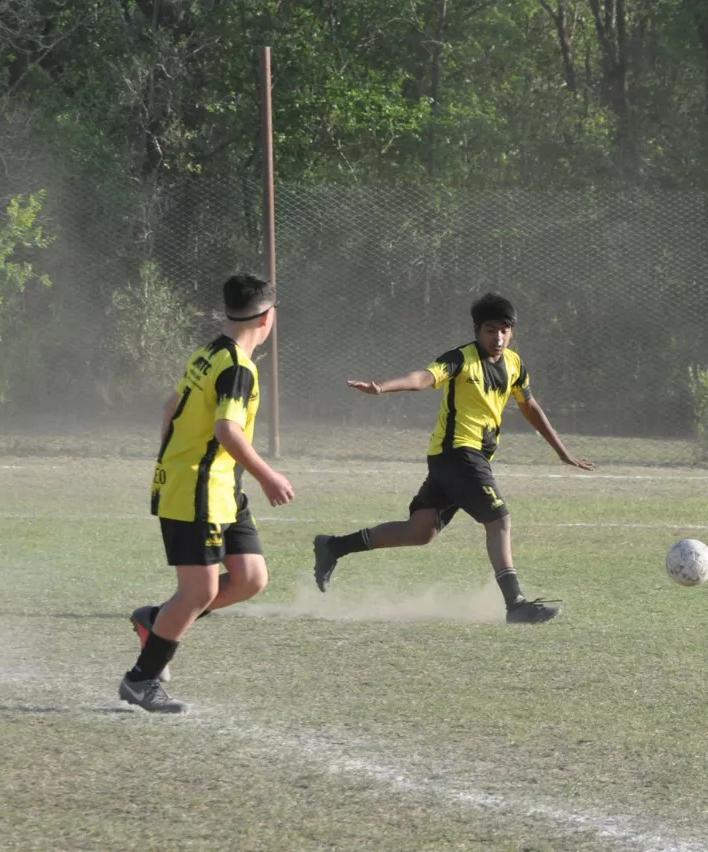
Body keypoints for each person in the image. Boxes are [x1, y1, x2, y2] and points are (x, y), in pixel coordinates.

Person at [311, 292, 594, 624]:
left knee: (420, 531)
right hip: (458, 453)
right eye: (490, 330)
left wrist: (562, 451)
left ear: (512, 331)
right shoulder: (461, 359)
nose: (498, 337)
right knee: (498, 519)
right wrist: (382, 387)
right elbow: (422, 379)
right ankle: (515, 603)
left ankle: (333, 546)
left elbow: (530, 406)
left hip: (464, 459)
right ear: (477, 330)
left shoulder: (515, 364)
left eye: (504, 330)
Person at [120, 273, 295, 714]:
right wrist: (267, 475)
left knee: (251, 578)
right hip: (198, 489)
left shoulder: (210, 352)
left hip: (220, 487)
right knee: (197, 594)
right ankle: (141, 679)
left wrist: (171, 457)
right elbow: (226, 429)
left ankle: (156, 620)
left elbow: (170, 406)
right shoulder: (237, 367)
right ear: (268, 318)